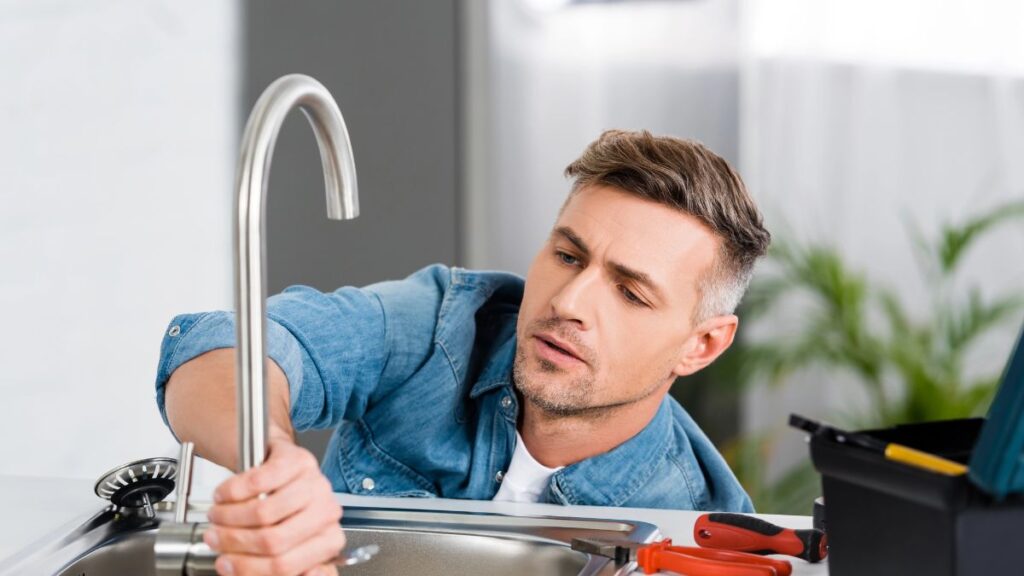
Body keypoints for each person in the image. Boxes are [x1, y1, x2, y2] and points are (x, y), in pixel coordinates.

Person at [156, 129, 771, 576]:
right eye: (566, 257)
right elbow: (219, 348)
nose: (569, 302)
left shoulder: (703, 525)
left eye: (631, 293)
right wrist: (272, 461)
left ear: (701, 344)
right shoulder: (442, 324)